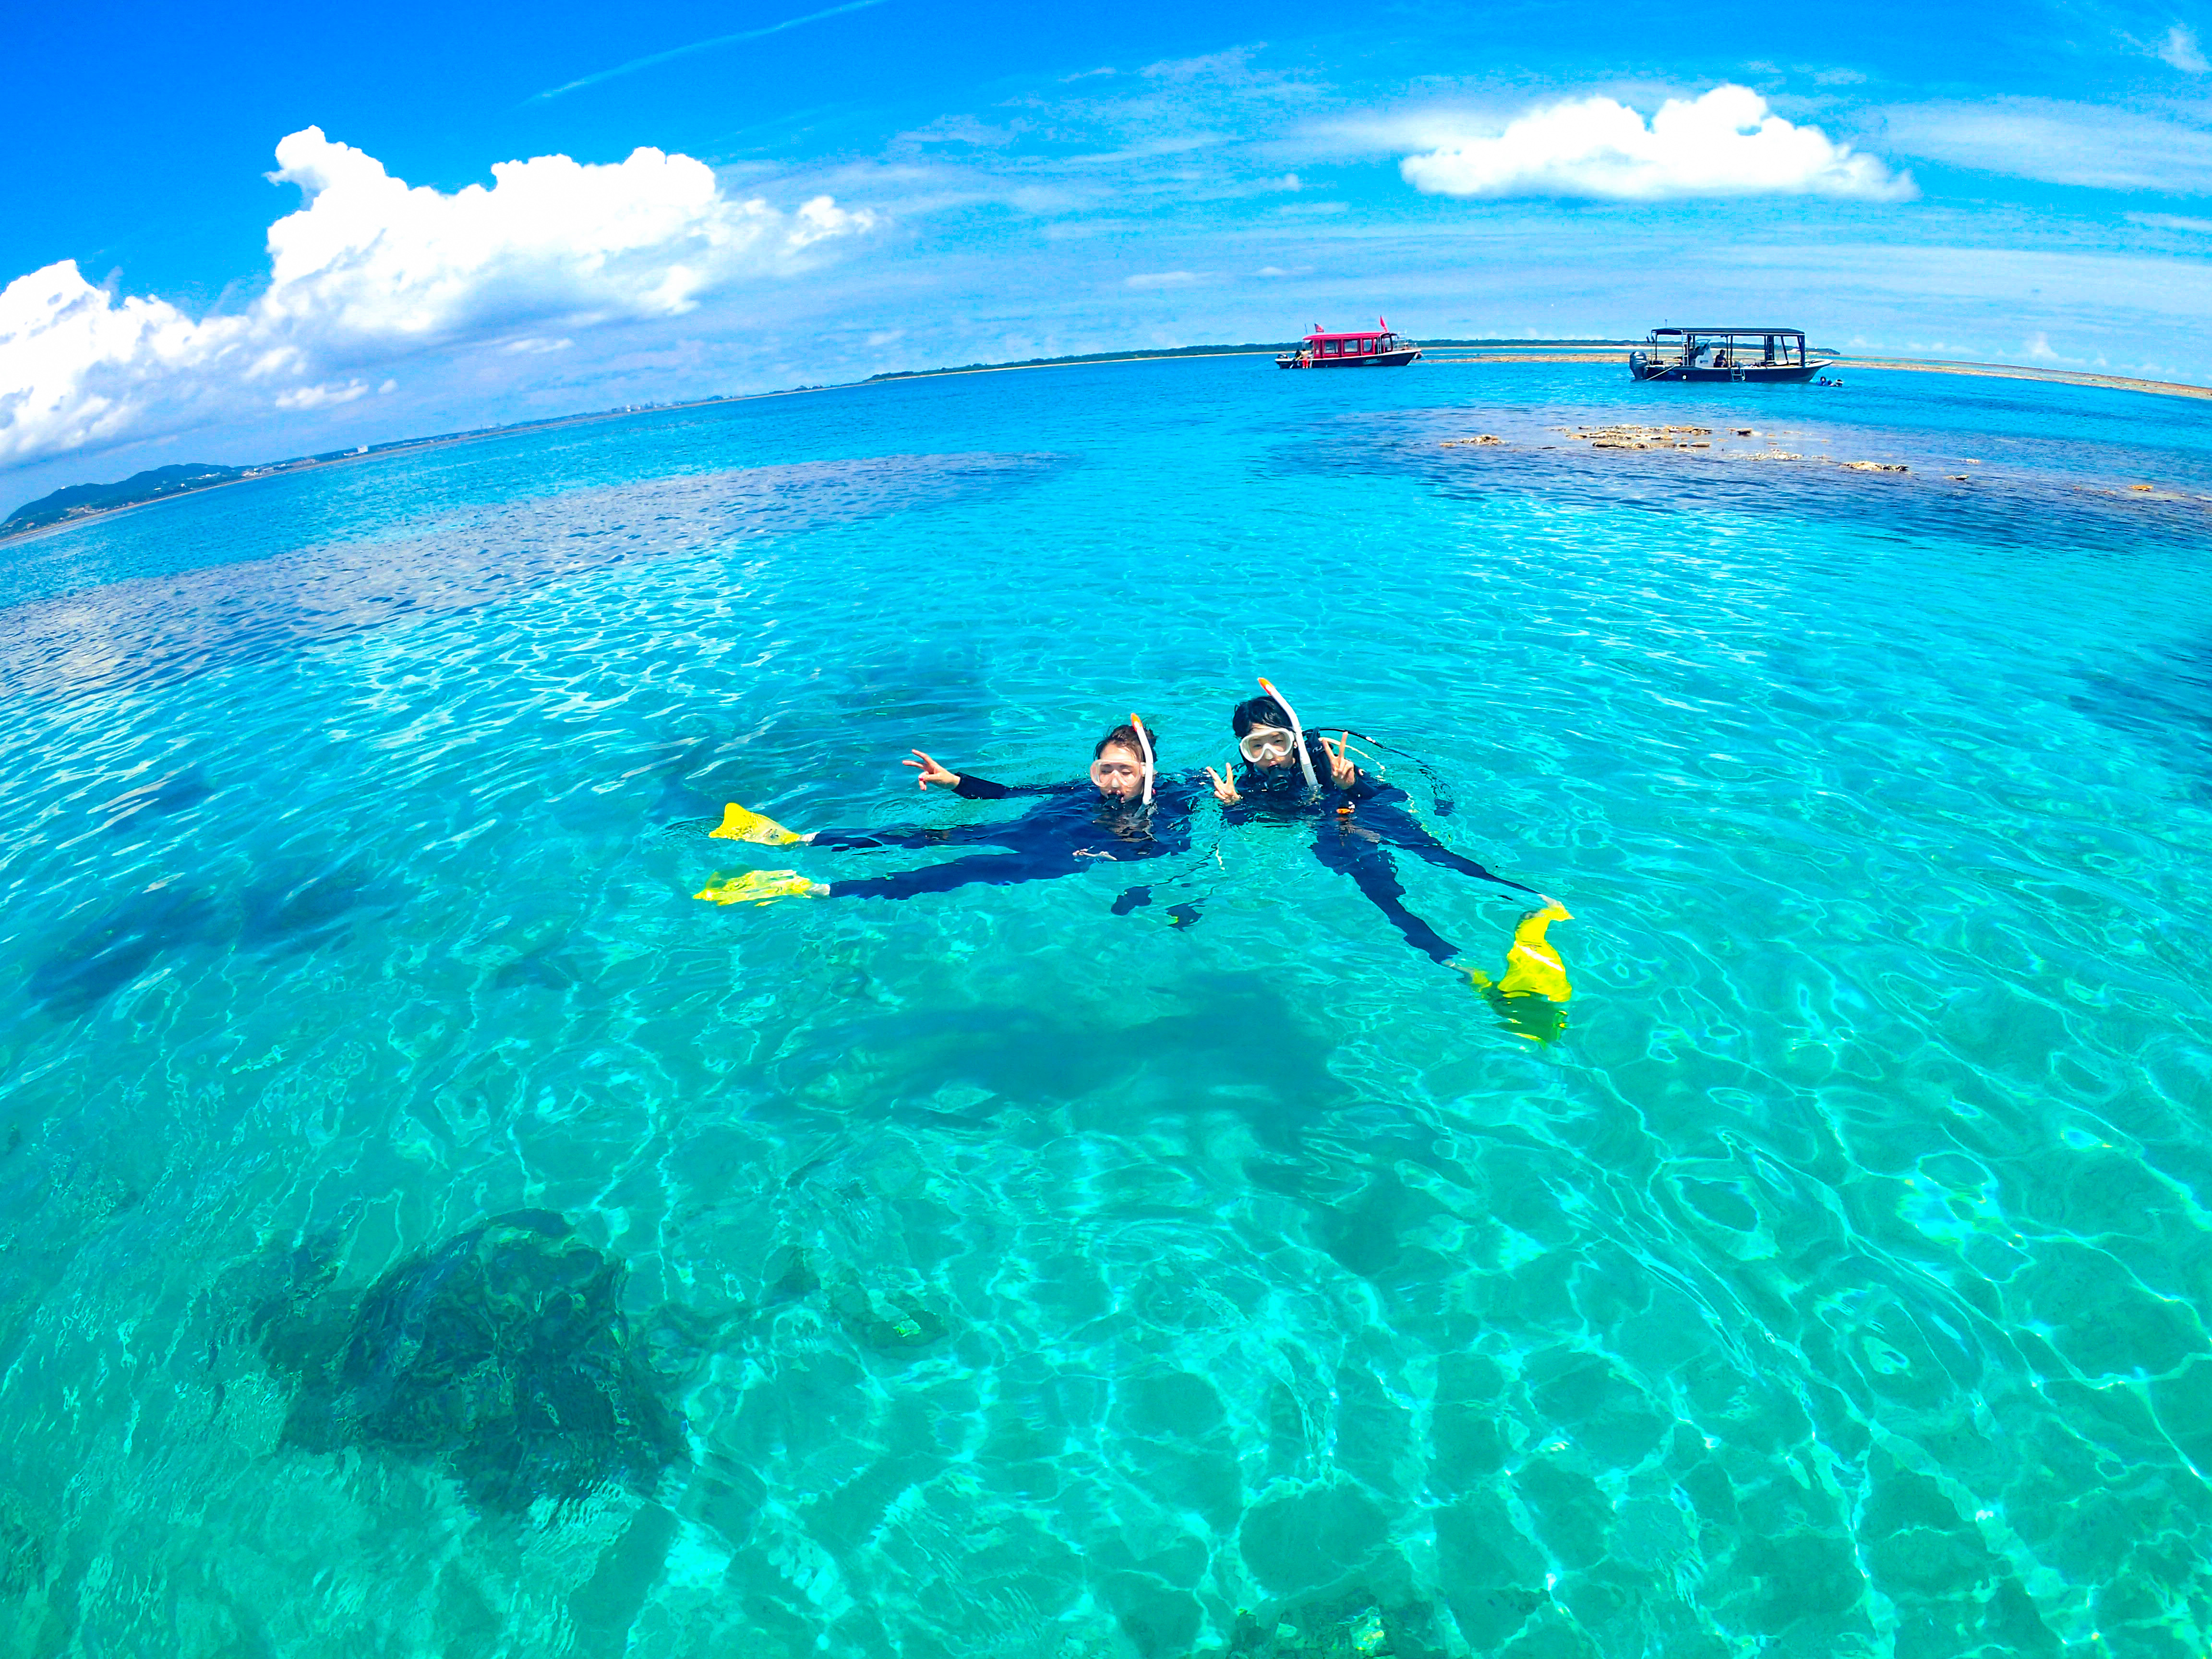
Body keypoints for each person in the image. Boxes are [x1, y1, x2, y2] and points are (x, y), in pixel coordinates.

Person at [1207, 689, 1573, 1025]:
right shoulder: (1247, 784)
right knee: (1383, 895)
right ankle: (1458, 964)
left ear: (1296, 738)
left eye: (1279, 742)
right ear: (1244, 750)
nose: (1271, 756)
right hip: (1332, 832)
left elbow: (1386, 794)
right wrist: (1235, 808)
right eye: (1258, 747)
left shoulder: (1327, 760)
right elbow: (1270, 824)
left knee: (1437, 855)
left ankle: (1535, 902)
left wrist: (1351, 785)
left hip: (1366, 810)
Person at [696, 722, 1198, 911]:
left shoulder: (1169, 804)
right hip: (1027, 829)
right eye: (1105, 769)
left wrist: (1115, 850)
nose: (1113, 781)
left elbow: (1171, 848)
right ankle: (794, 841)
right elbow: (1006, 792)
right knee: (927, 836)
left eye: (1125, 772)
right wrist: (953, 780)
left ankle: (806, 888)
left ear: (1147, 773)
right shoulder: (1075, 789)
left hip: (1057, 856)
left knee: (956, 872)